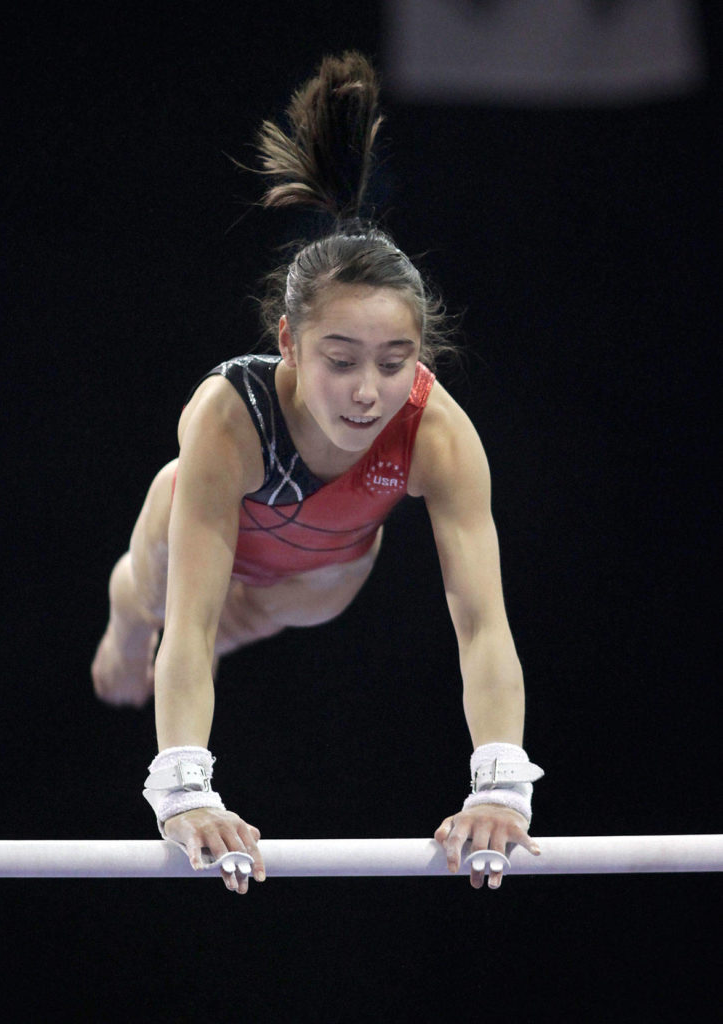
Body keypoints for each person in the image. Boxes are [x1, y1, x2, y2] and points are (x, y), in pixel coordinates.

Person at [91, 52, 543, 894]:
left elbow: (482, 625)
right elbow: (188, 621)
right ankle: (124, 618)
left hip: (317, 578)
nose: (369, 392)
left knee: (235, 625)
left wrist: (502, 785)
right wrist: (186, 791)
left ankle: (185, 649)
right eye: (341, 360)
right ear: (289, 344)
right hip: (197, 545)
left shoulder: (436, 431)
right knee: (163, 596)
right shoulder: (231, 415)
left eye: (395, 360)